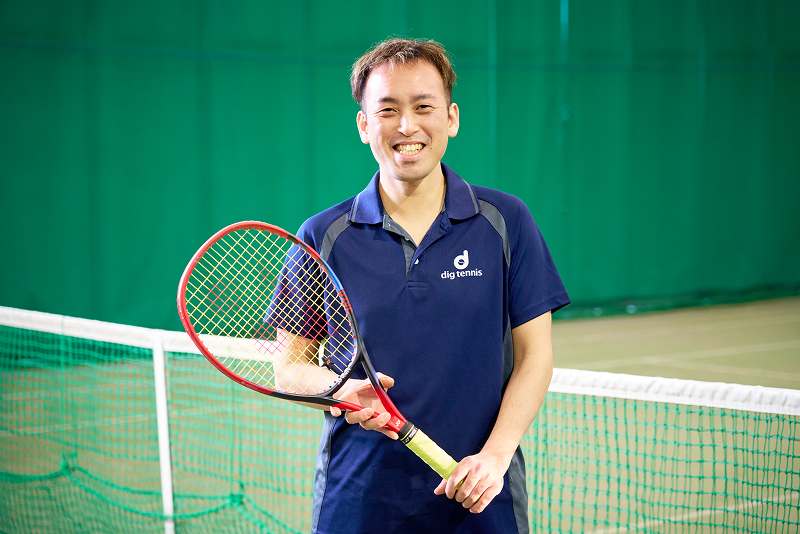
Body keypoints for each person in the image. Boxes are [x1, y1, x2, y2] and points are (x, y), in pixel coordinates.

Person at [291, 38, 570, 534]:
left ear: (451, 118)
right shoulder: (322, 237)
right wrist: (341, 389)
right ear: (364, 125)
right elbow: (290, 366)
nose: (407, 126)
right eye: (387, 110)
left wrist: (495, 456)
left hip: (480, 491)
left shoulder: (506, 221)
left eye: (424, 107)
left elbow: (536, 357)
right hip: (359, 495)